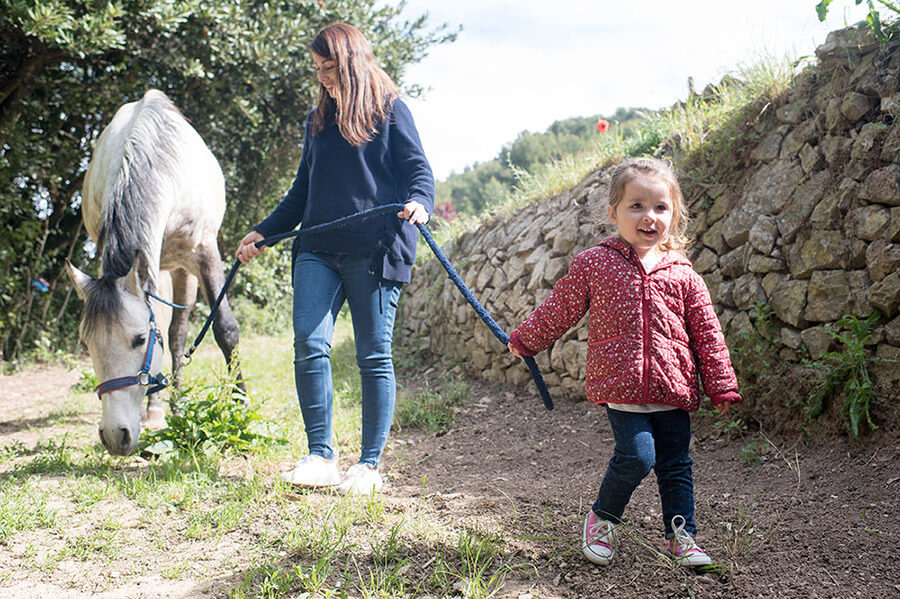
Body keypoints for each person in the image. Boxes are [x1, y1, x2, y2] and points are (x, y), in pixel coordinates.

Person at [507, 157, 741, 567]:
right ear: (613, 212)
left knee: (676, 465)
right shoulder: (595, 264)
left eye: (660, 207)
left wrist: (720, 383)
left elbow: (707, 333)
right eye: (636, 206)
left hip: (673, 388)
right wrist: (527, 340)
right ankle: (602, 519)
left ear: (675, 214)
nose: (649, 217)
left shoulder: (684, 275)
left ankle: (682, 537)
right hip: (622, 388)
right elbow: (559, 309)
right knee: (637, 457)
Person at [236, 23, 434, 496]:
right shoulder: (317, 120)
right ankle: (320, 456)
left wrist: (420, 203)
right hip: (318, 250)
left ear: (351, 61)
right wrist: (264, 232)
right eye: (317, 70)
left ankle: (368, 466)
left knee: (372, 354)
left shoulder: (390, 111)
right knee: (308, 341)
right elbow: (301, 192)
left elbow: (418, 171)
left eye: (329, 68)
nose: (323, 77)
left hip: (376, 249)